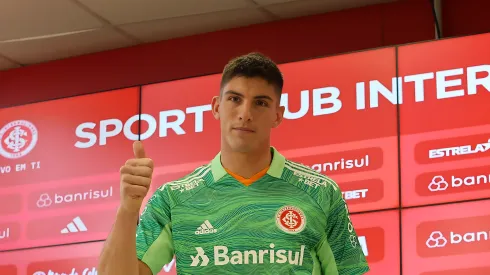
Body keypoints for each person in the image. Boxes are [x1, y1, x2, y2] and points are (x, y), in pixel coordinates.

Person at [98, 52, 369, 275]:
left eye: (260, 103)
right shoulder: (174, 198)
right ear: (216, 107)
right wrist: (127, 209)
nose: (245, 114)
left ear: (277, 115)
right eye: (235, 99)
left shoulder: (320, 192)